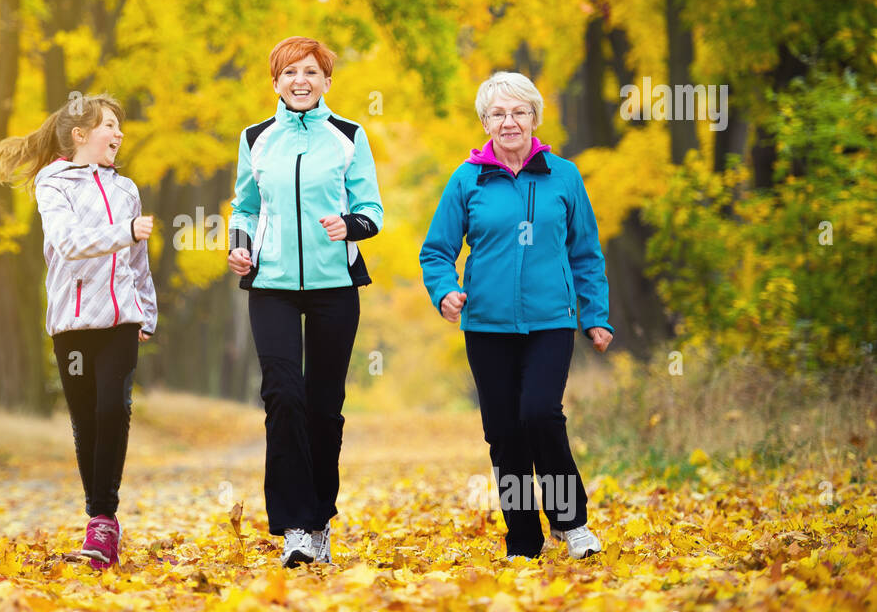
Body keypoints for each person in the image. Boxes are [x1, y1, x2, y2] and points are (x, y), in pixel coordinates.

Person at [419, 71, 613, 560]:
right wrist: (445, 292)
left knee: (540, 415)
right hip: (486, 326)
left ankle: (572, 524)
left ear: (534, 118)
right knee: (504, 433)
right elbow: (437, 251)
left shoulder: (564, 175)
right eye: (498, 113)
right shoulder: (466, 180)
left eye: (519, 111)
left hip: (551, 321)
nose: (509, 122)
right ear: (486, 122)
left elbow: (586, 253)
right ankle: (523, 540)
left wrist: (596, 315)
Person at [228, 36, 384, 567]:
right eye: (290, 72)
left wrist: (351, 225)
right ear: (275, 82)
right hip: (270, 286)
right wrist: (241, 248)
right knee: (282, 396)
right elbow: (244, 207)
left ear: (326, 82)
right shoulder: (256, 138)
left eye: (312, 72)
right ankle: (294, 526)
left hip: (333, 287)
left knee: (323, 407)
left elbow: (371, 207)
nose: (301, 80)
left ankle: (319, 521)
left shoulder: (348, 136)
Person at [0, 94, 157, 570]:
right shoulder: (52, 184)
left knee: (113, 408)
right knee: (86, 420)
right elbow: (66, 243)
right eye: (109, 125)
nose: (118, 133)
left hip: (120, 317)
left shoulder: (126, 189)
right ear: (80, 135)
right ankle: (98, 517)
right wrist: (125, 231)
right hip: (72, 320)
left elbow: (138, 264)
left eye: (119, 125)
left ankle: (102, 521)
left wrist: (146, 313)